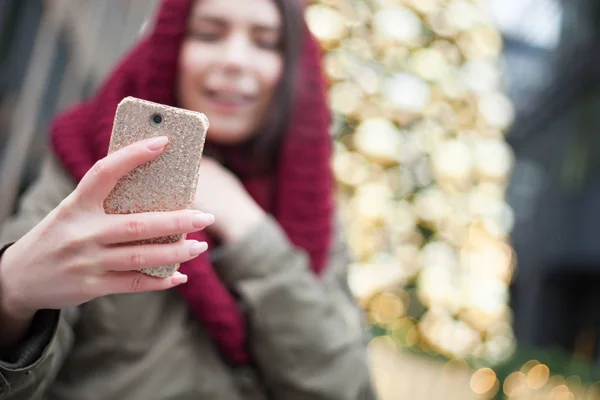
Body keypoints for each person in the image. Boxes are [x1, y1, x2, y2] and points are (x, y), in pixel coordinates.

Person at [0, 0, 375, 398]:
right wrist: (11, 298)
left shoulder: (313, 207)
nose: (235, 60)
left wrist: (251, 232)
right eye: (209, 34)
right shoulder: (95, 161)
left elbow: (346, 386)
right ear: (171, 46)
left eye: (265, 43)